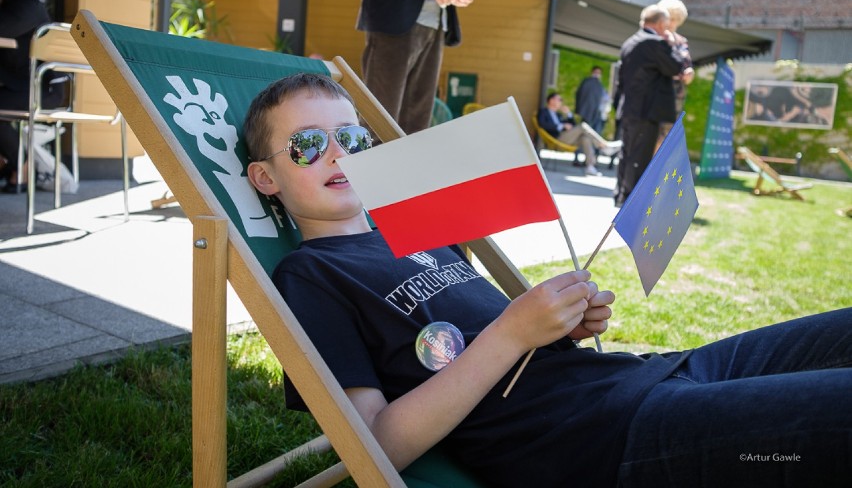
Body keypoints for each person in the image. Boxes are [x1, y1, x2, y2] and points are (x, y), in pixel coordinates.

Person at [243, 72, 851, 488]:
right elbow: (373, 445)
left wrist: (558, 328)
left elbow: (503, 358)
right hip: (601, 440)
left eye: (350, 138)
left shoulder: (419, 226)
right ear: (265, 178)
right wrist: (511, 332)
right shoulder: (311, 276)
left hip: (648, 375)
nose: (337, 154)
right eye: (305, 146)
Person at [351, 0, 476, 137]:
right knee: (378, 126)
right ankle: (371, 173)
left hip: (436, 22)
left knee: (417, 129)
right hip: (394, 19)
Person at [613, 4, 685, 207]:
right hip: (647, 111)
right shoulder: (654, 43)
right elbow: (675, 66)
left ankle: (620, 195)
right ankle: (632, 202)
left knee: (626, 154)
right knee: (640, 156)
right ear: (662, 24)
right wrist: (671, 44)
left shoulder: (629, 42)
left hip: (628, 108)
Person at [0, 0, 50, 193]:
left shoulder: (26, 4)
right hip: (20, 87)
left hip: (42, 90)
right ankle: (14, 165)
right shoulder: (11, 3)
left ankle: (22, 167)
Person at [537, 92, 619, 177]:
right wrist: (561, 125)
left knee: (585, 138)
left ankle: (590, 166)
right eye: (559, 99)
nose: (561, 102)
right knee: (583, 126)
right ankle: (604, 146)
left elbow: (574, 125)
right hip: (556, 137)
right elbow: (543, 124)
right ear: (551, 100)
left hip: (567, 137)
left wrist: (569, 114)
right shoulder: (543, 112)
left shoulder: (558, 115)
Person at [654, 0, 694, 152]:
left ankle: (656, 170)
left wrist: (689, 73)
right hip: (657, 91)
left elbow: (687, 66)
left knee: (667, 135)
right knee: (653, 134)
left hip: (675, 95)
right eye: (670, 19)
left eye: (675, 20)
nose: (671, 23)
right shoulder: (656, 39)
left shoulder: (682, 41)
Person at [574, 65, 607, 134]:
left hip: (597, 113)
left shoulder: (598, 84)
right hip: (589, 112)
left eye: (599, 73)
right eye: (596, 72)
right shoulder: (589, 82)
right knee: (586, 132)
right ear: (592, 72)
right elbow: (580, 94)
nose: (597, 74)